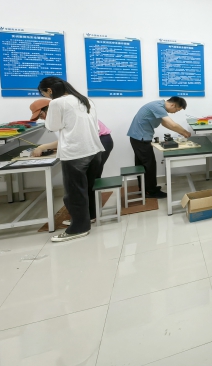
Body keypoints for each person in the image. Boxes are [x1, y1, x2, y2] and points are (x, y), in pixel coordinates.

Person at [28, 98, 114, 227]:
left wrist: (43, 147)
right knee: (88, 181)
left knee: (88, 181)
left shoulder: (69, 114)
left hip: (100, 141)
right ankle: (90, 214)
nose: (43, 119)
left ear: (50, 110)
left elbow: (75, 137)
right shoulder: (65, 114)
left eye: (42, 115)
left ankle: (89, 216)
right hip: (97, 142)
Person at [37, 77, 104, 243]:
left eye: (44, 94)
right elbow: (96, 126)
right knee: (87, 189)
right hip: (94, 150)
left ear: (49, 90)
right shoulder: (86, 100)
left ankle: (79, 227)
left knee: (74, 193)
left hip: (75, 153)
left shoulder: (57, 103)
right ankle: (86, 218)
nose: (46, 96)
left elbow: (52, 126)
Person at [127, 97, 191, 199]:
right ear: (173, 105)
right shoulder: (158, 107)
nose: (175, 112)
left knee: (143, 165)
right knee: (149, 165)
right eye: (177, 110)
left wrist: (181, 132)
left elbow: (165, 124)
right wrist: (185, 132)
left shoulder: (159, 106)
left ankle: (145, 189)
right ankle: (151, 191)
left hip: (138, 138)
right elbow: (172, 124)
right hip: (140, 139)